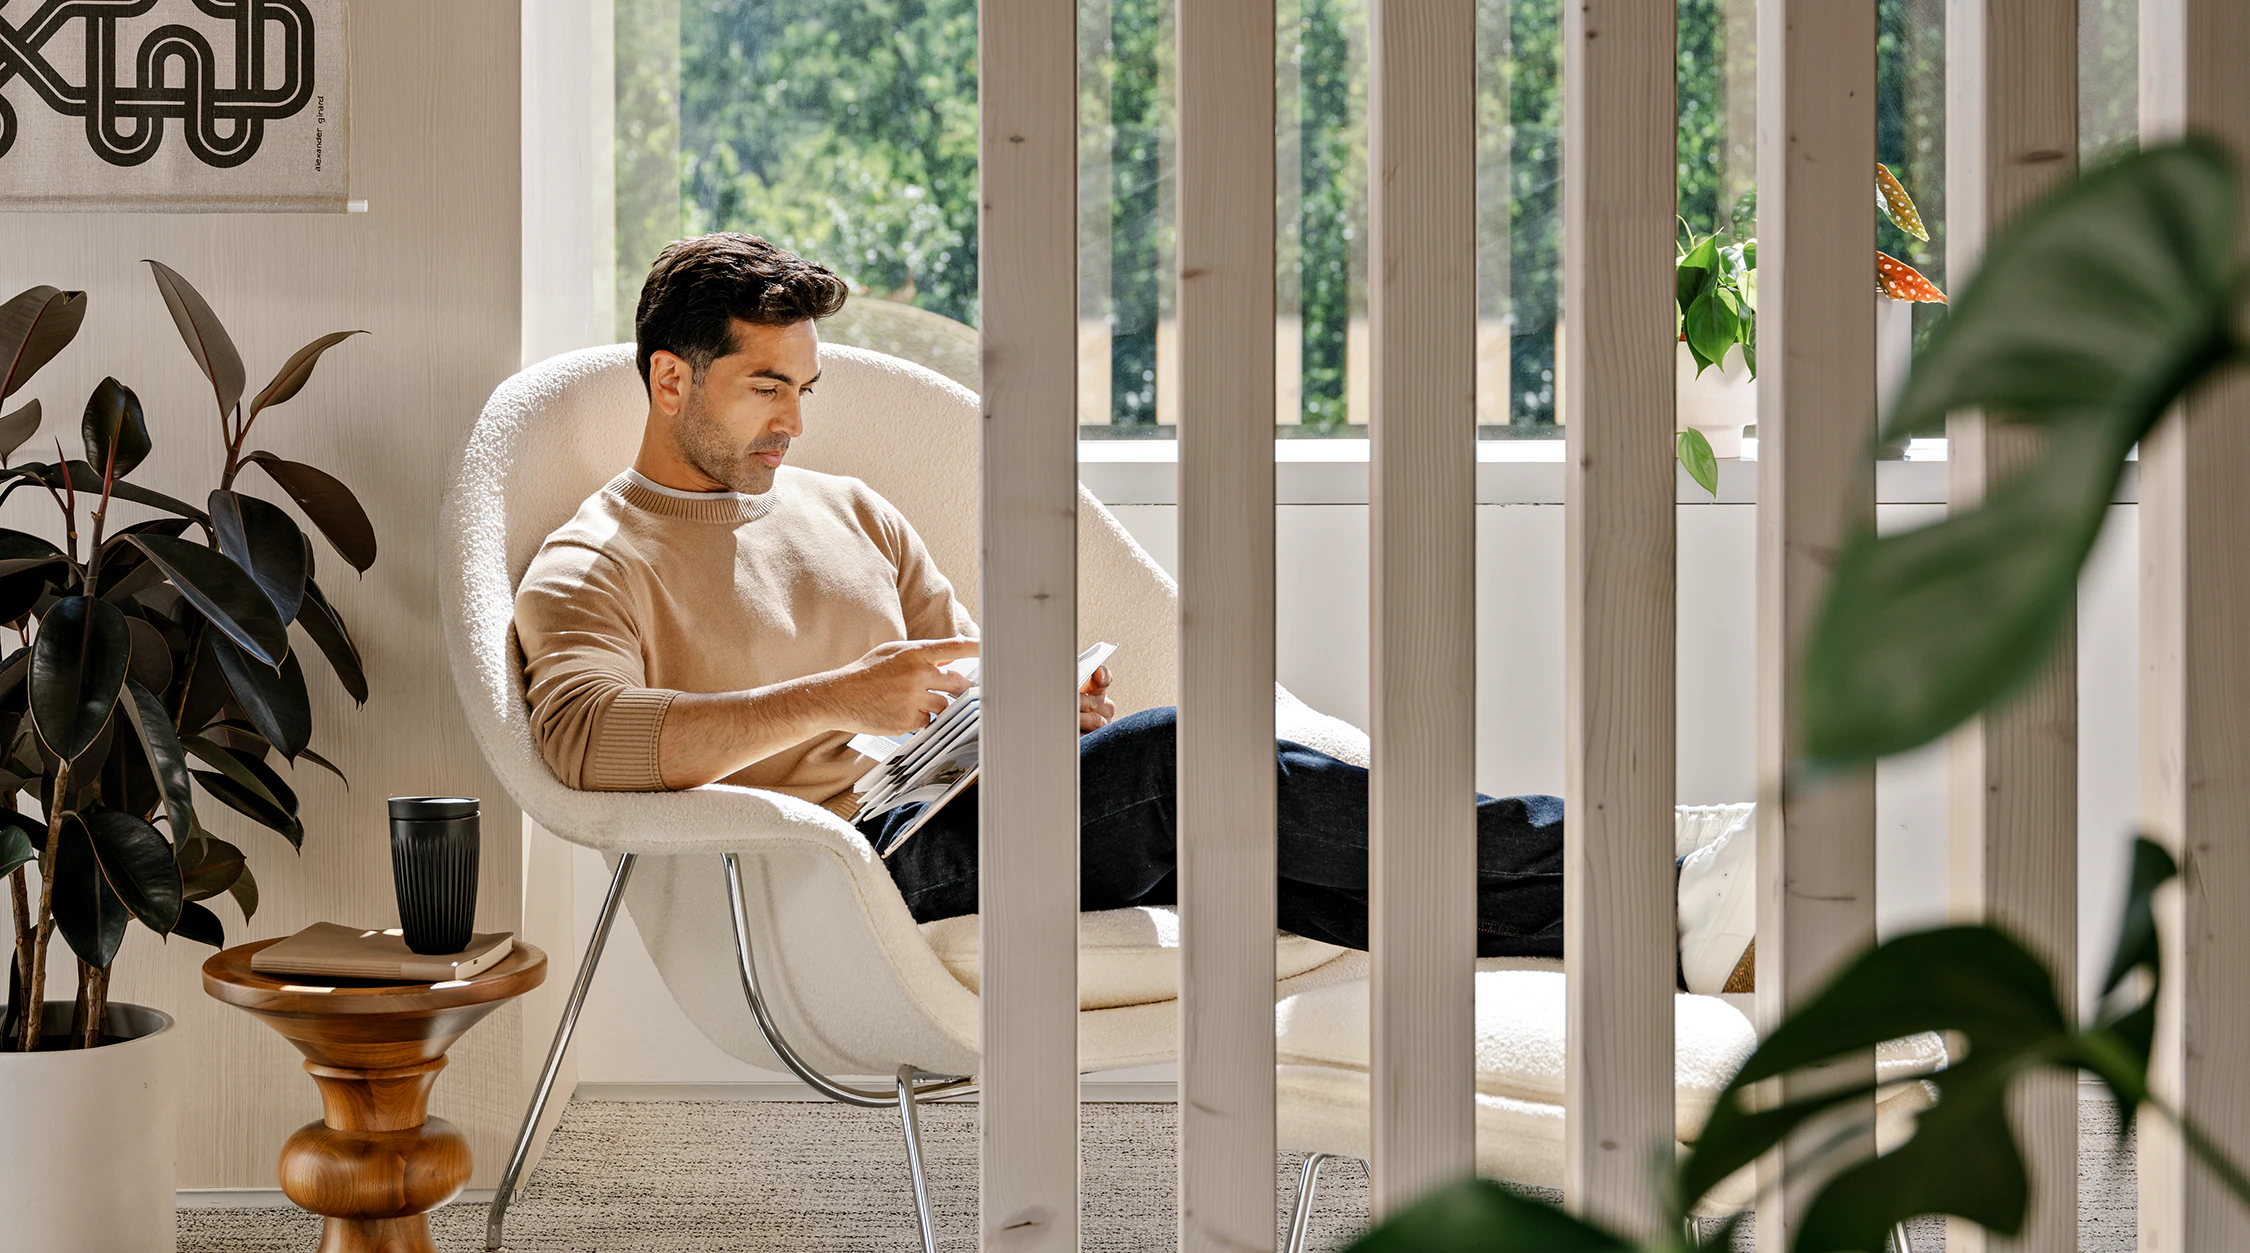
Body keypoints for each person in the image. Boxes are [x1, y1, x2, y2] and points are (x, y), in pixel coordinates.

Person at [512, 232, 1757, 989]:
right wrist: (845, 695)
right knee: (1181, 760)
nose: (794, 419)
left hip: (951, 811)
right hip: (841, 871)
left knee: (1263, 849)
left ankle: (1655, 930)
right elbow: (580, 741)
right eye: (764, 387)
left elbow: (958, 668)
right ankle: (1652, 862)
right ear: (670, 379)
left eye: (806, 386)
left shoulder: (850, 508)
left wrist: (1028, 707)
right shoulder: (594, 561)